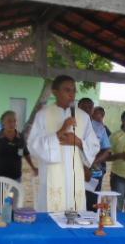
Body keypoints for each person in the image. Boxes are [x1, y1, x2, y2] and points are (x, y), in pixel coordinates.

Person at [28, 76, 100, 212]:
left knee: (75, 213)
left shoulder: (83, 116)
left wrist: (78, 142)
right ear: (55, 92)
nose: (72, 94)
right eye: (67, 90)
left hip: (75, 176)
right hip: (51, 175)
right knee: (51, 213)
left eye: (74, 90)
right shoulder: (43, 115)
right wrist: (59, 132)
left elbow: (94, 146)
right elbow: (33, 145)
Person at [78, 98, 111, 211]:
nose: (87, 110)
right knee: (74, 201)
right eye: (84, 107)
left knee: (92, 203)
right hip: (74, 170)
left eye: (89, 107)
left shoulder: (99, 127)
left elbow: (106, 150)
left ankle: (90, 226)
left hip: (94, 172)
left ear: (93, 110)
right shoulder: (71, 124)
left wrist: (93, 162)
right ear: (78, 108)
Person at [0, 110, 38, 182]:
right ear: (3, 122)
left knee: (13, 194)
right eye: (9, 121)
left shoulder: (20, 137)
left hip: (15, 178)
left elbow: (25, 153)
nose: (12, 123)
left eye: (15, 121)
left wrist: (33, 167)